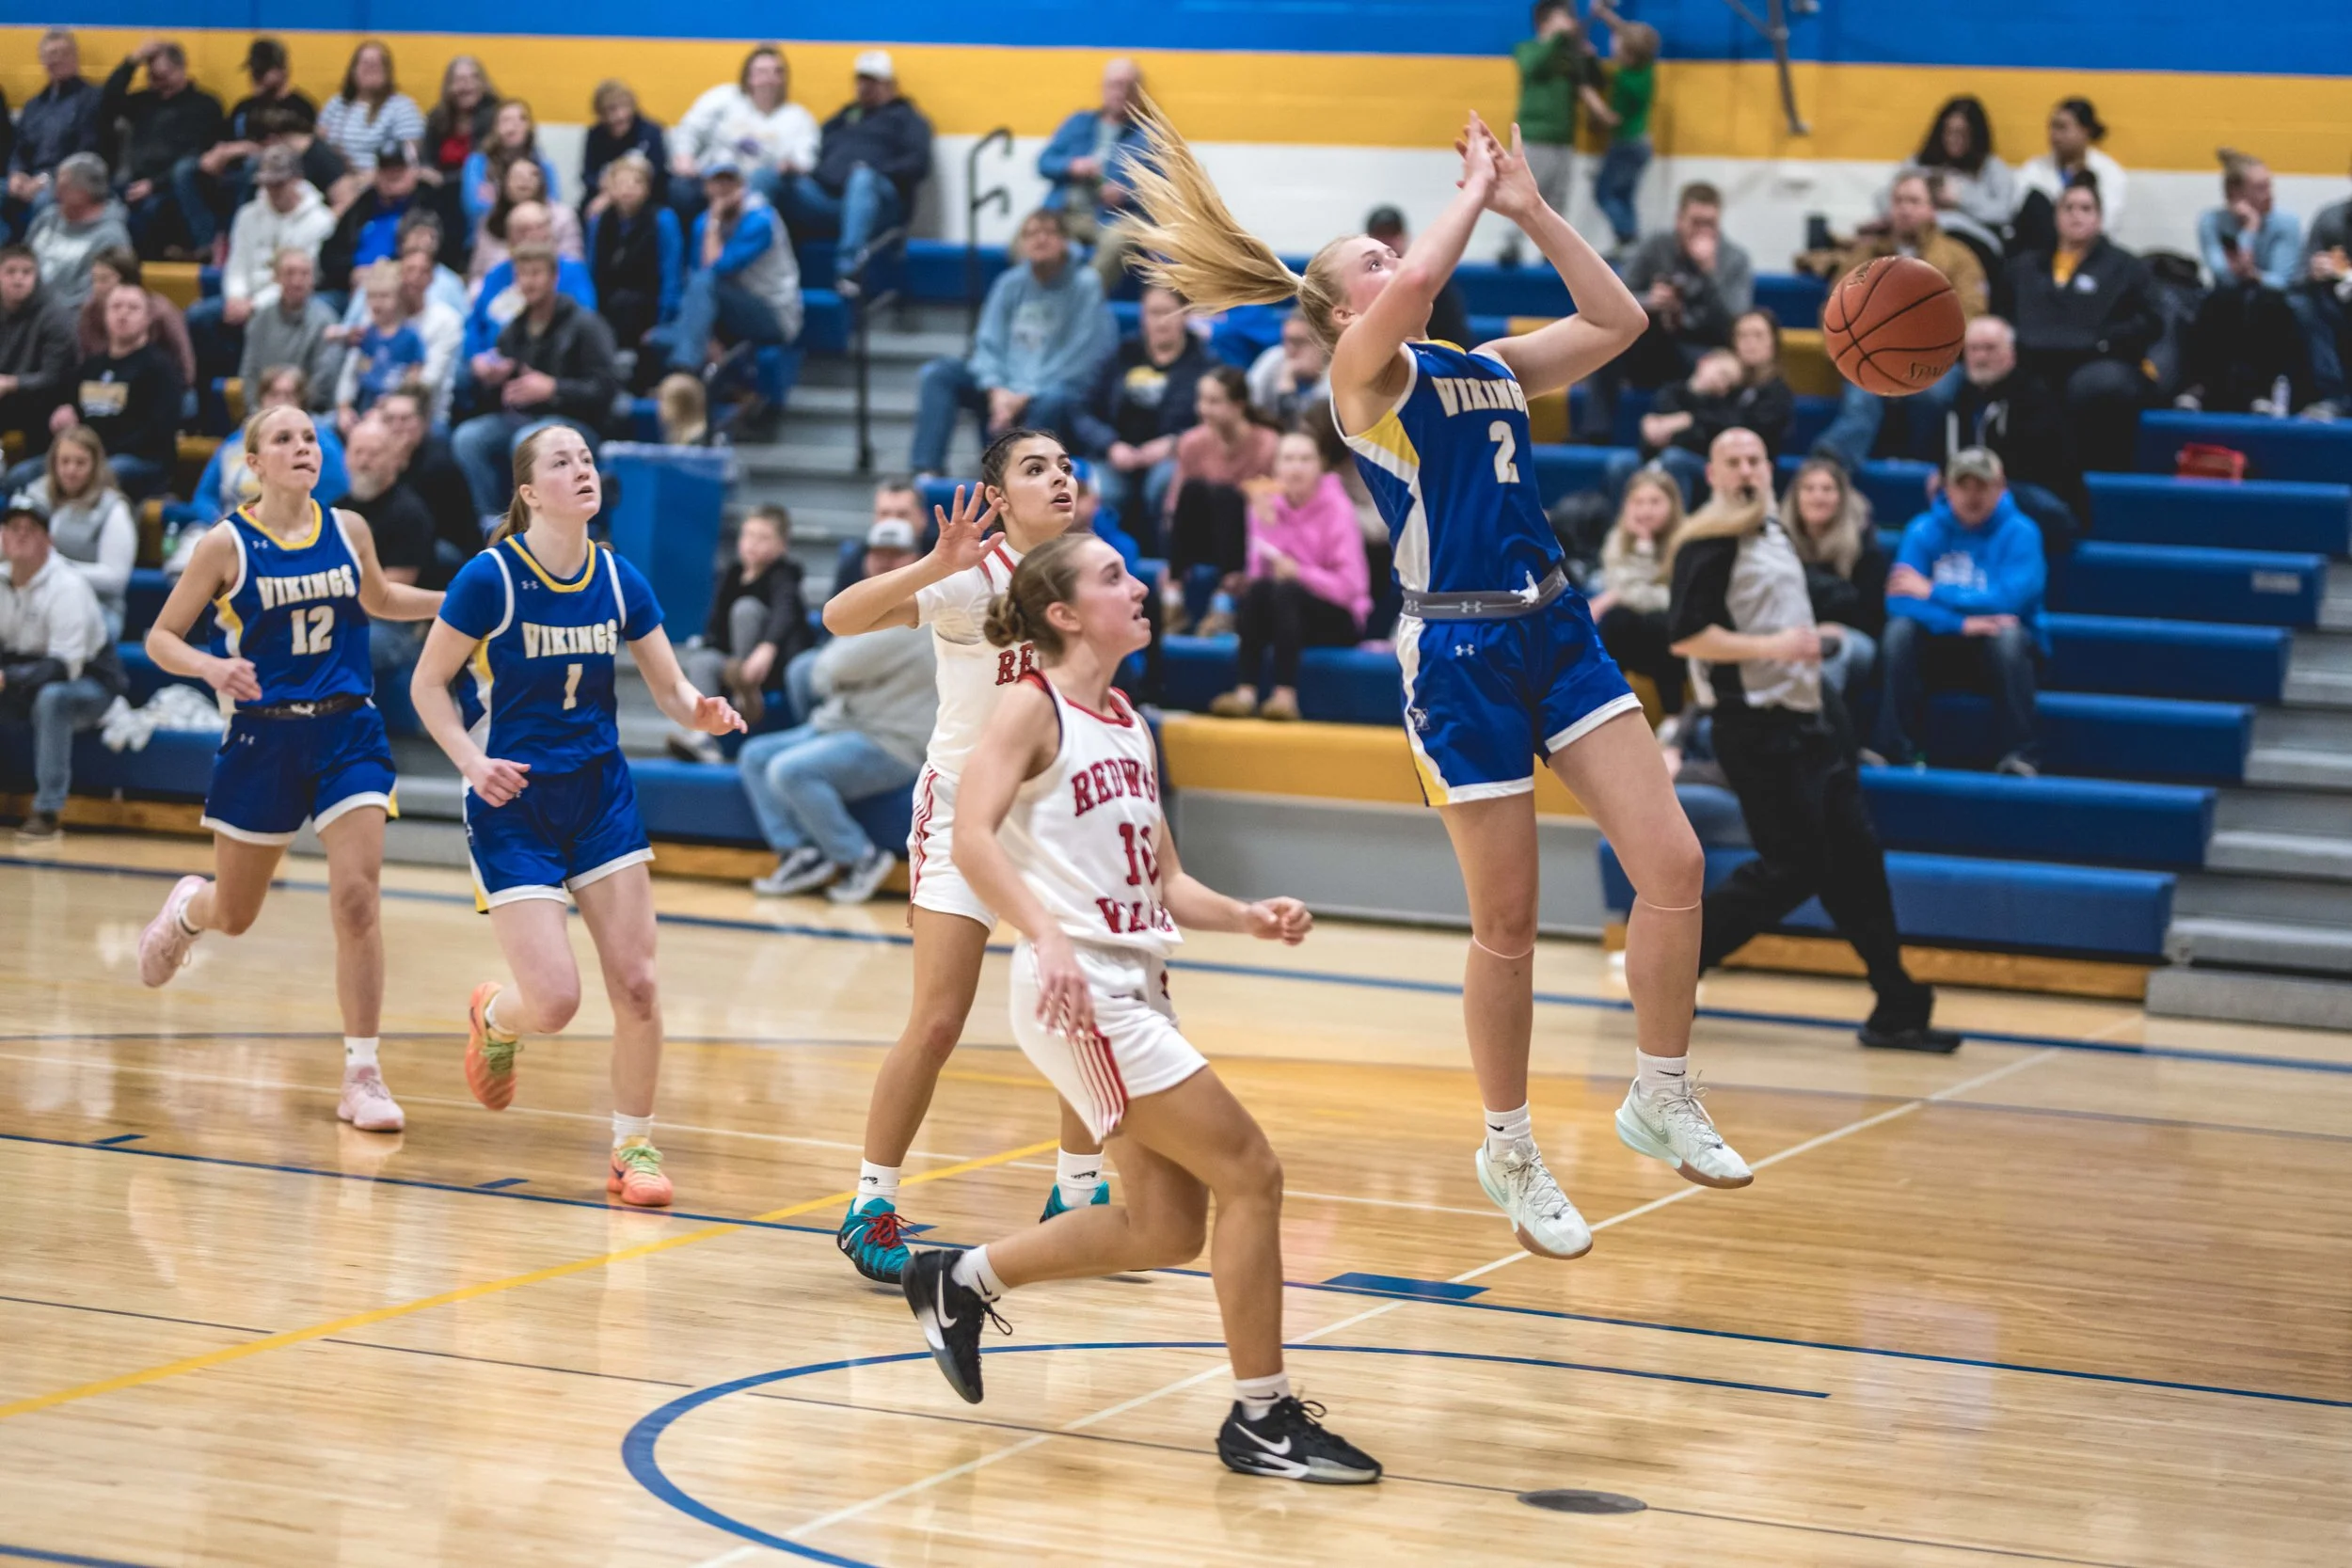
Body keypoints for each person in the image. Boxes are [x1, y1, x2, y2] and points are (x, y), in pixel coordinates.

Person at [1119, 103, 1746, 1259]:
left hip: (1554, 627)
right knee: (1505, 922)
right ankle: (1507, 1144)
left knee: (1675, 862)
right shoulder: (1361, 380)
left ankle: (1661, 1090)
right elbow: (1409, 292)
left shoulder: (1491, 365)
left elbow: (1620, 319)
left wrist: (1531, 207)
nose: (1389, 260)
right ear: (1341, 307)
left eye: (1386, 248)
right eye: (1368, 257)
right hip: (1456, 654)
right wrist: (1464, 195)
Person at [899, 530, 1380, 1482]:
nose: (1140, 584)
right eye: (1113, 575)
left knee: (1162, 1225)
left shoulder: (1125, 718)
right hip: (1077, 990)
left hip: (1134, 981)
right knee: (1253, 1170)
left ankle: (959, 1279)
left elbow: (1164, 879)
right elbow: (968, 834)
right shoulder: (1026, 708)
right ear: (1065, 613)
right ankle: (1261, 1417)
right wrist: (1040, 930)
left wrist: (1247, 915)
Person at [409, 424, 744, 1204]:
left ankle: (634, 1150)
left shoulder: (620, 577)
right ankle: (496, 1015)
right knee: (555, 1001)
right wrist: (470, 761)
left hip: (599, 795)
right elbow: (429, 685)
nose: (582, 469)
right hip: (511, 799)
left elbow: (670, 690)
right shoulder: (488, 578)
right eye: (562, 461)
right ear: (529, 492)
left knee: (637, 985)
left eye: (587, 458)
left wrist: (704, 712)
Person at [820, 430, 1104, 1283]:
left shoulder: (1093, 570)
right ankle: (870, 1200)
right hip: (956, 813)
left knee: (1079, 1007)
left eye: (1064, 465)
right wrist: (927, 563)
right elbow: (839, 619)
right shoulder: (966, 576)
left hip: (1050, 817)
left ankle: (1079, 1197)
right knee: (939, 1019)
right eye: (1035, 468)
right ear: (999, 495)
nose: (1058, 476)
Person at [135, 404, 444, 1129]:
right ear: (255, 462)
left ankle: (362, 1074)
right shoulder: (225, 544)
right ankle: (187, 910)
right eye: (285, 439)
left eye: (311, 437)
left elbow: (380, 597)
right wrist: (212, 666)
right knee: (235, 915)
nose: (303, 447)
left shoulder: (349, 528)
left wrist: (458, 602)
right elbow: (159, 637)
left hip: (347, 730)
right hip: (262, 740)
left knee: (358, 901)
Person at [1666, 427, 1961, 1053]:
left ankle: (1896, 1001)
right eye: (1732, 461)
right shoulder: (1707, 540)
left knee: (1857, 855)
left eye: (1755, 459)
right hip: (1754, 725)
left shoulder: (1774, 530)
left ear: (1770, 469)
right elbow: (1686, 636)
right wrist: (1774, 646)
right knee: (1793, 865)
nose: (1746, 469)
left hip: (1810, 720)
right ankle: (1673, 968)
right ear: (1714, 474)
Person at [739, 517, 933, 900]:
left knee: (789, 770)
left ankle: (861, 856)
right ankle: (802, 852)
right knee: (755, 755)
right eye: (878, 554)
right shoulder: (872, 601)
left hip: (893, 741)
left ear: (914, 558)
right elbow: (829, 671)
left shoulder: (916, 606)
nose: (884, 562)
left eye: (896, 555)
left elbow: (829, 669)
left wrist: (839, 674)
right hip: (849, 723)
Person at [1873, 447, 2046, 778]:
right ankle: (1892, 747)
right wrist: (1961, 622)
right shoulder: (1923, 529)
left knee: (2007, 635)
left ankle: (2021, 754)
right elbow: (1899, 600)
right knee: (1900, 631)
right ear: (1946, 489)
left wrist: (1933, 591)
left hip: (2000, 655)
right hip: (1942, 646)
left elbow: (2009, 601)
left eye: (1981, 486)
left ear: (2001, 488)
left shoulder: (2022, 532)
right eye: (1963, 486)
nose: (1972, 496)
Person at [911, 208, 1113, 477]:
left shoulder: (1086, 285)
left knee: (1054, 398)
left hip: (1054, 392)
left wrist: (1024, 394)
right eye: (1031, 234)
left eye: (1049, 233)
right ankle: (927, 473)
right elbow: (986, 344)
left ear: (1065, 241)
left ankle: (1024, 481)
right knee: (940, 374)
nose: (1040, 240)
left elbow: (1080, 359)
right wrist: (996, 390)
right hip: (1006, 390)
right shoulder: (1010, 283)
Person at [1809, 170, 1987, 468]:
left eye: (1914, 201)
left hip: (1934, 361)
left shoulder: (1959, 258)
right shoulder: (1862, 256)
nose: (1905, 208)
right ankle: (1831, 464)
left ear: (1931, 209)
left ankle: (1923, 465)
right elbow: (1835, 309)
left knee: (1931, 395)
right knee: (1861, 397)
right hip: (1872, 357)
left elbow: (1972, 312)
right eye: (1899, 200)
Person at [1996, 177, 2159, 475]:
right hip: (2034, 360)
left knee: (2094, 386)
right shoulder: (2023, 267)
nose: (2076, 215)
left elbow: (2149, 321)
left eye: (2085, 208)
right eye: (2068, 207)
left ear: (2099, 218)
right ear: (2056, 216)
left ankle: (2094, 476)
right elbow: (2001, 315)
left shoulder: (2126, 267)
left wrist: (2105, 340)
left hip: (2099, 361)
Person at [1208, 430, 1370, 721]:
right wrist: (1267, 526)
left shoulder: (1338, 508)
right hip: (1288, 614)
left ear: (1319, 466)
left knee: (1288, 590)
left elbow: (1351, 587)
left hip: (1338, 617)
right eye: (1288, 459)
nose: (1296, 467)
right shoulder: (1264, 505)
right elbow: (1259, 577)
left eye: (1305, 459)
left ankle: (1285, 696)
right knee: (1259, 592)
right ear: (1276, 467)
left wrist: (1301, 574)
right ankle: (1245, 693)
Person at [454, 245, 619, 518]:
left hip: (576, 423)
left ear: (554, 278)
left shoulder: (585, 324)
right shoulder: (513, 330)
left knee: (526, 441)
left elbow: (606, 389)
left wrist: (553, 388)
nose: (529, 282)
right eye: (522, 275)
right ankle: (494, 523)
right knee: (468, 438)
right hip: (524, 419)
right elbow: (496, 399)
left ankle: (537, 527)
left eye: (536, 273)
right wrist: (493, 380)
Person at [1582, 182, 1754, 439]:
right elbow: (1615, 297)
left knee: (1720, 369)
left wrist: (1709, 274)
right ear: (1679, 220)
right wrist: (1649, 300)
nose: (1703, 231)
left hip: (1702, 347)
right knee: (1607, 339)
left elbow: (1735, 322)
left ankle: (1686, 440)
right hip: (1653, 342)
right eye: (1696, 222)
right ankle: (1595, 432)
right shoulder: (1657, 246)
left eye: (1710, 224)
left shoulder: (1734, 259)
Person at [0, 494, 124, 843]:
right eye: (13, 528)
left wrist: (7, 678)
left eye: (31, 529)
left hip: (89, 683)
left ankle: (48, 812)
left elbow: (63, 667)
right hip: (25, 677)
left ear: (48, 541)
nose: (21, 535)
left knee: (52, 698)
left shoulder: (67, 586)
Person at [775, 52, 933, 285]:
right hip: (829, 198)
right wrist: (799, 167)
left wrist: (875, 170)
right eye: (861, 80)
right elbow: (815, 147)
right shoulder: (845, 117)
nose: (865, 87)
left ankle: (849, 270)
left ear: (890, 84)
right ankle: (761, 265)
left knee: (862, 178)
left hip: (880, 203)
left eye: (873, 81)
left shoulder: (908, 118)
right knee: (774, 179)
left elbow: (919, 164)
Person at [1070, 284, 1211, 545]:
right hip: (1117, 456)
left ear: (1185, 315)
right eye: (1153, 313)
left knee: (1163, 483)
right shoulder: (1122, 355)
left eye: (1168, 312)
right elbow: (1082, 410)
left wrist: (1174, 444)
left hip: (1170, 458)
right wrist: (1110, 445)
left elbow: (1213, 424)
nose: (1161, 321)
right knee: (1100, 493)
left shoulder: (1205, 364)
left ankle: (1166, 567)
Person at [2180, 149, 2312, 416]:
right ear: (2235, 194)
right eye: (2260, 188)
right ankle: (2203, 385)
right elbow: (2223, 275)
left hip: (2271, 301)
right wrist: (2249, 231)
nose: (2270, 193)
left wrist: (2251, 271)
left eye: (2270, 185)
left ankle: (2262, 390)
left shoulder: (2286, 223)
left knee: (2265, 300)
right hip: (2231, 297)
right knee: (2222, 297)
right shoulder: (2211, 221)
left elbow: (2281, 281)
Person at [1940, 314, 2083, 561]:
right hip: (1983, 495)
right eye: (1974, 349)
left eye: (1990, 348)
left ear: (2011, 354)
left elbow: (2038, 466)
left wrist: (1974, 481)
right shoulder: (1960, 398)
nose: (1981, 357)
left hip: (2042, 500)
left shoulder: (2036, 396)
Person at [663, 158, 801, 409]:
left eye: (730, 182)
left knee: (704, 283)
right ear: (706, 188)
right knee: (661, 335)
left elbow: (716, 268)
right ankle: (703, 394)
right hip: (727, 307)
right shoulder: (703, 223)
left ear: (742, 186)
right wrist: (708, 334)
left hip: (772, 312)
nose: (723, 189)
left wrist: (715, 221)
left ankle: (684, 371)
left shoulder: (761, 218)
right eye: (716, 183)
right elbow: (697, 282)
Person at [675, 502, 810, 751]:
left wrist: (767, 647)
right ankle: (704, 740)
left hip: (771, 667)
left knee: (745, 610)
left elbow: (785, 610)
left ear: (782, 545)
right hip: (734, 663)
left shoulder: (785, 575)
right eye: (748, 535)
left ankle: (746, 691)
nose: (752, 543)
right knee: (701, 662)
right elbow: (715, 627)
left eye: (763, 538)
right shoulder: (732, 574)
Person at [1162, 365, 1279, 628]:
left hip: (1247, 540)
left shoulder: (1268, 446)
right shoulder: (1192, 443)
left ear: (1238, 405)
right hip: (1203, 537)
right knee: (1193, 489)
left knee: (1227, 496)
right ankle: (1173, 593)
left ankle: (1225, 600)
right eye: (1201, 400)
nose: (1203, 409)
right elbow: (1174, 505)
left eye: (1214, 401)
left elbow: (1271, 515)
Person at [50, 283, 183, 500]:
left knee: (98, 474)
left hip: (141, 461)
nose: (123, 314)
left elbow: (158, 433)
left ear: (148, 318)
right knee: (23, 475)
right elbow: (70, 410)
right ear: (104, 315)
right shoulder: (90, 367)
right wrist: (63, 415)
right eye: (116, 307)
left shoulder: (160, 368)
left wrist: (95, 454)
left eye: (132, 308)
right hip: (85, 458)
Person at [338, 415, 441, 681]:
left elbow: (385, 596)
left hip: (401, 626)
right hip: (346, 612)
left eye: (374, 454)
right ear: (346, 457)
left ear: (396, 460)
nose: (364, 461)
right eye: (358, 452)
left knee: (336, 646)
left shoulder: (410, 513)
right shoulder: (338, 509)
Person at [100, 40, 226, 256]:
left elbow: (197, 154)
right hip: (135, 180)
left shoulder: (205, 105)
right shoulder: (144, 102)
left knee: (152, 209)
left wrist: (154, 184)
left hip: (174, 184)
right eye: (152, 76)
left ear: (180, 69)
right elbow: (107, 99)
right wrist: (133, 61)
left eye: (162, 76)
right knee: (104, 204)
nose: (156, 83)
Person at [1585, 467, 1687, 726]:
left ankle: (1673, 716)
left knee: (1659, 621)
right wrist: (1643, 546)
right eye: (1638, 502)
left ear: (1672, 505)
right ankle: (1607, 708)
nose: (1646, 510)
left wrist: (1616, 595)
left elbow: (1672, 599)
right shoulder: (1618, 538)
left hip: (1673, 642)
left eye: (1655, 502)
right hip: (1632, 638)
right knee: (1617, 619)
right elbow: (1619, 584)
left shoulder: (1686, 540)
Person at [186, 37, 314, 243]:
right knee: (186, 169)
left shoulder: (300, 108)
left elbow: (295, 149)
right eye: (253, 72)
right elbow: (221, 142)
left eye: (261, 72)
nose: (255, 79)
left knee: (253, 168)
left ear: (281, 71)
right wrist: (219, 153)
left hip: (270, 171)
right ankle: (208, 242)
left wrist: (246, 149)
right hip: (231, 167)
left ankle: (237, 237)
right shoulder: (244, 106)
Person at [1779, 455, 1885, 701]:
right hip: (1789, 636)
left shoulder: (1864, 547)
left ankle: (1817, 728)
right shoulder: (1776, 544)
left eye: (1827, 489)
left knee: (1825, 648)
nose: (1818, 496)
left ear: (1841, 497)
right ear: (1796, 497)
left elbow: (1870, 617)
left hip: (1852, 640)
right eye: (1809, 489)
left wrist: (1834, 627)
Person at [669, 46, 819, 219]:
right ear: (748, 77)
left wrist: (790, 167)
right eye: (761, 72)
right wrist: (684, 157)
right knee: (680, 188)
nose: (769, 79)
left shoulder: (799, 117)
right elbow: (689, 130)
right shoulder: (723, 98)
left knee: (762, 182)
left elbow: (806, 161)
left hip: (760, 187)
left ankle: (745, 239)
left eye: (777, 72)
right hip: (712, 179)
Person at [191, 364, 349, 528]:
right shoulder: (236, 442)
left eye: (289, 395)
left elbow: (334, 500)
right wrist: (216, 518)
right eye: (273, 394)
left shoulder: (320, 443)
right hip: (230, 527)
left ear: (301, 401)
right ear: (261, 399)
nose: (280, 402)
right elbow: (204, 496)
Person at [1037, 58, 1149, 285]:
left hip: (1114, 219)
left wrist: (1126, 193)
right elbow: (1044, 162)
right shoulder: (1078, 123)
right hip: (1065, 213)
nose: (1121, 92)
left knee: (1123, 237)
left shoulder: (1148, 136)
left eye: (1128, 85)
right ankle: (1041, 297)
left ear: (1138, 93)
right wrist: (1071, 166)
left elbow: (1165, 190)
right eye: (1114, 85)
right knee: (1026, 237)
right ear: (1103, 89)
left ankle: (1084, 301)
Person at [19, 425, 135, 638]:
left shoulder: (113, 508)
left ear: (95, 465)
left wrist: (58, 569)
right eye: (64, 461)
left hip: (96, 607)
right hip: (34, 601)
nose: (71, 470)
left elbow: (115, 579)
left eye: (80, 463)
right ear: (53, 463)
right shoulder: (34, 496)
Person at [460, 201, 597, 362]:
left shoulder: (572, 272)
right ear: (510, 237)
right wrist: (477, 357)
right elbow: (475, 323)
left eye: (540, 228)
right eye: (523, 230)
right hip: (492, 365)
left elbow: (583, 321)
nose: (533, 236)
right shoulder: (497, 275)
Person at [1513, 3, 1608, 226]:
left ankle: (1552, 249)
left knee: (1558, 197)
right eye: (1560, 18)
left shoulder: (1570, 55)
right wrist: (1557, 39)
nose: (1568, 23)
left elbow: (1597, 82)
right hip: (1536, 135)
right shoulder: (1528, 49)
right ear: (1544, 23)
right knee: (1525, 192)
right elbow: (1534, 67)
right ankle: (1511, 244)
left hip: (1564, 136)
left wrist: (1589, 58)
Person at [6, 30, 103, 242]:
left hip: (68, 179)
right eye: (50, 54)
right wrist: (16, 173)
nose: (56, 59)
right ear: (42, 61)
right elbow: (19, 147)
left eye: (62, 53)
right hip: (30, 177)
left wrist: (44, 179)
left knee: (43, 201)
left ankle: (34, 263)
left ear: (75, 57)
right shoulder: (34, 105)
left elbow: (87, 149)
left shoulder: (92, 99)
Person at [586, 153, 682, 359]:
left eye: (636, 182)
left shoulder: (663, 220)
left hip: (647, 307)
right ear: (609, 188)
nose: (628, 188)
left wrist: (663, 322)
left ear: (647, 188)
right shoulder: (600, 221)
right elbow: (593, 271)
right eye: (620, 182)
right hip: (608, 308)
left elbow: (671, 275)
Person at [232, 249, 342, 420]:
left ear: (313, 279)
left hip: (311, 415)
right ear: (276, 278)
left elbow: (324, 381)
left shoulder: (326, 321)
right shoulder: (260, 321)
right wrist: (260, 411)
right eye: (289, 273)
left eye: (304, 274)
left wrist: (292, 411)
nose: (297, 281)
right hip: (263, 412)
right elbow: (249, 373)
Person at [1587, 6, 1659, 248]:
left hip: (1626, 144)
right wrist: (1606, 15)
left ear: (1628, 55)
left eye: (1617, 42)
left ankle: (1627, 237)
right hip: (1642, 144)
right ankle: (1627, 245)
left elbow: (1611, 119)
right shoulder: (1646, 69)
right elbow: (1628, 34)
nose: (1613, 40)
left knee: (1604, 194)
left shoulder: (1624, 79)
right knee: (1624, 196)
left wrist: (1589, 97)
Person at [72, 248, 195, 388]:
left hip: (157, 388)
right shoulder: (90, 311)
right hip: (106, 391)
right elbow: (84, 364)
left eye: (104, 280)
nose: (97, 287)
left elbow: (186, 369)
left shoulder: (161, 312)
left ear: (127, 280)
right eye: (94, 279)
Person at [0, 243, 79, 458]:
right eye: (10, 272)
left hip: (44, 403)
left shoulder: (55, 316)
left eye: (26, 272)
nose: (19, 279)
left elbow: (53, 378)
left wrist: (10, 383)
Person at [318, 139, 427, 295]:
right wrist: (351, 272)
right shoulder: (363, 205)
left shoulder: (428, 204)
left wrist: (383, 273)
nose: (392, 173)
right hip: (347, 289)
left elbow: (430, 254)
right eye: (386, 168)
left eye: (399, 167)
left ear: (414, 171)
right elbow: (330, 253)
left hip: (401, 289)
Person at [2016, 97, 2127, 248]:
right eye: (2052, 127)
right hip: (2041, 252)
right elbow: (2019, 214)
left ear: (2085, 131)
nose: (2054, 135)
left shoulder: (2110, 173)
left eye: (2062, 127)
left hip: (2092, 252)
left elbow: (2107, 223)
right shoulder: (2033, 168)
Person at [1905, 95, 2016, 245]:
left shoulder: (1992, 167)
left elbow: (2003, 214)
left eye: (1962, 133)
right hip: (1919, 239)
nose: (1953, 139)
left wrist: (1961, 199)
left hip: (1971, 241)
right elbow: (1887, 198)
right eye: (1949, 132)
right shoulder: (1919, 164)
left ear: (1976, 135)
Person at [25, 153, 131, 308]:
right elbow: (21, 260)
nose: (55, 193)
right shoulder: (47, 217)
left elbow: (91, 299)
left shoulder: (111, 238)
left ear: (84, 192)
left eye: (63, 186)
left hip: (67, 322)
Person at [314, 41, 422, 188]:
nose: (370, 68)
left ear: (388, 71)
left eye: (377, 64)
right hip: (335, 180)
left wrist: (363, 180)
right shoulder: (336, 104)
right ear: (353, 70)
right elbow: (317, 146)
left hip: (379, 185)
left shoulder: (402, 107)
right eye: (365, 63)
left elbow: (410, 160)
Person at [333, 261, 425, 432]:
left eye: (384, 296)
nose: (377, 303)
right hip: (363, 404)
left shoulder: (411, 337)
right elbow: (353, 373)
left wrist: (389, 406)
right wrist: (344, 408)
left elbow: (414, 381)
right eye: (372, 296)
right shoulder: (364, 334)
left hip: (394, 409)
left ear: (399, 297)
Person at [1363, 206, 1470, 349]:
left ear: (1404, 237)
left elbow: (1457, 335)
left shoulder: (1430, 282)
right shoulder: (1360, 288)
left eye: (1392, 234)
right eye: (1381, 234)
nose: (1387, 241)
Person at [468, 157, 584, 287]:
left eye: (532, 175)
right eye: (517, 176)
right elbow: (478, 274)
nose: (524, 181)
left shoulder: (563, 217)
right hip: (499, 291)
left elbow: (573, 261)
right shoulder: (489, 222)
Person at [460, 100, 561, 241]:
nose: (514, 126)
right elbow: (475, 207)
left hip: (535, 239)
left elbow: (552, 207)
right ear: (495, 128)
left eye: (522, 119)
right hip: (488, 237)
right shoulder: (477, 163)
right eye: (506, 120)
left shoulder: (543, 166)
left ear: (529, 127)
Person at [2293, 179, 2351, 421]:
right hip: (2337, 304)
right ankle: (2333, 397)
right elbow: (2296, 277)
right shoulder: (2331, 219)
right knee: (2304, 304)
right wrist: (2313, 271)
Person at [580, 81, 668, 219]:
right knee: (587, 211)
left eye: (624, 107)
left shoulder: (651, 132)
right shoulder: (595, 135)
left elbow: (657, 173)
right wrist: (608, 190)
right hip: (604, 192)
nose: (619, 115)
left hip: (645, 197)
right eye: (611, 110)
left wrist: (620, 192)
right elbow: (588, 174)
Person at [421, 56, 498, 190]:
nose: (467, 85)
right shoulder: (437, 117)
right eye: (460, 80)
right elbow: (426, 159)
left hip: (479, 190)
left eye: (474, 78)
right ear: (449, 87)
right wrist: (426, 172)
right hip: (439, 190)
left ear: (483, 83)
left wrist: (443, 179)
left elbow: (481, 167)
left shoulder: (495, 116)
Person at [1246, 310, 1331, 428]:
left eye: (1298, 342)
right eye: (1286, 340)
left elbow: (1302, 431)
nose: (1289, 350)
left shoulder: (1334, 380)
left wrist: (1286, 393)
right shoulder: (1274, 358)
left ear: (1323, 344)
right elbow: (1246, 406)